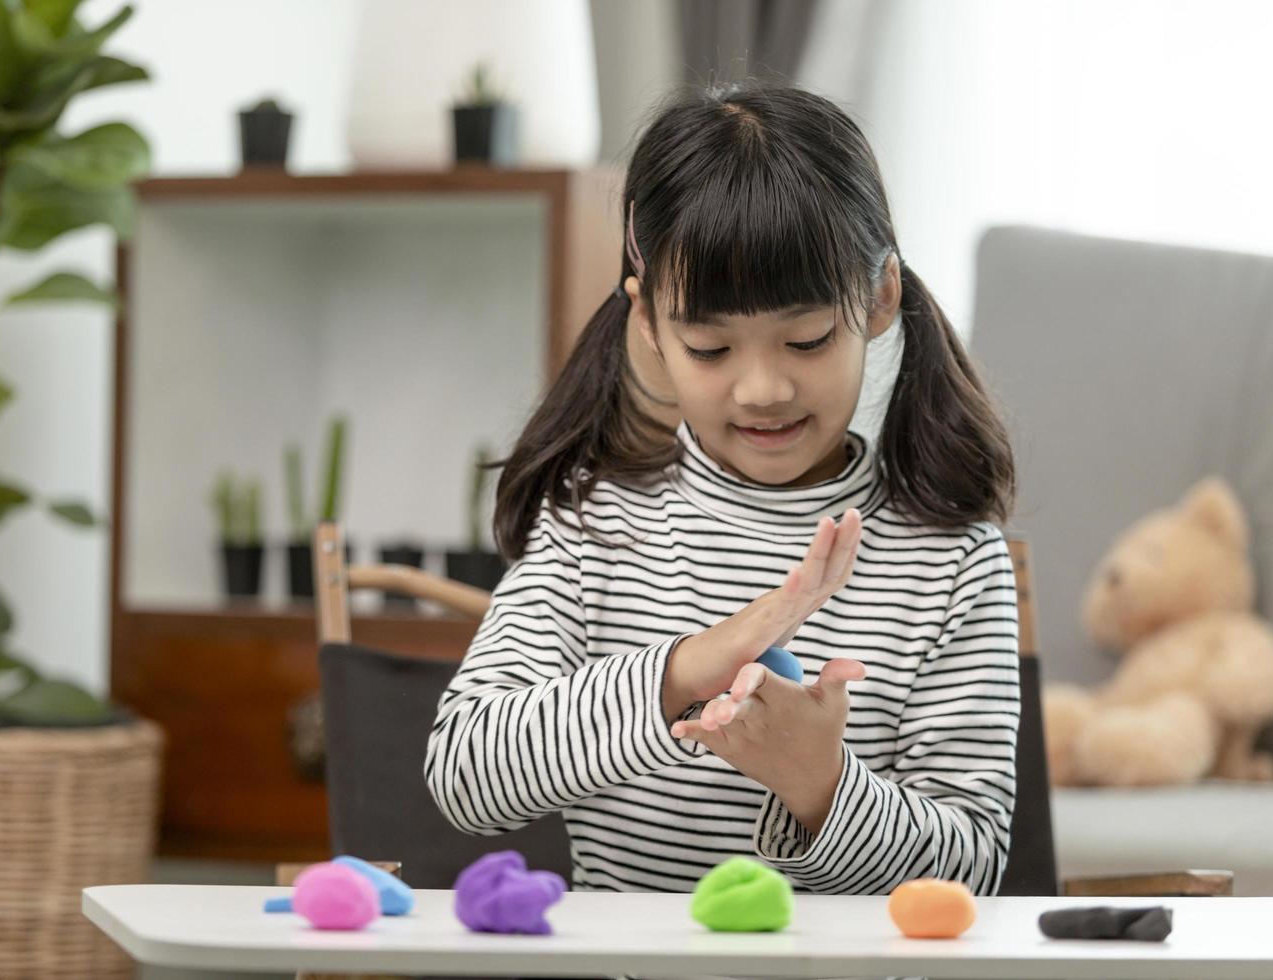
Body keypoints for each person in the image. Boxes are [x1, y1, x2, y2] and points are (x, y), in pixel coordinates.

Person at [424, 80, 1020, 897]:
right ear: (649, 324)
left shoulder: (951, 559)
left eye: (806, 339)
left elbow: (975, 868)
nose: (763, 388)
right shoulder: (595, 522)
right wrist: (686, 668)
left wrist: (819, 784)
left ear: (880, 297)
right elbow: (465, 773)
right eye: (710, 348)